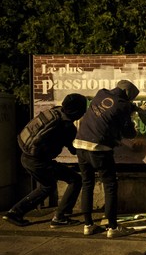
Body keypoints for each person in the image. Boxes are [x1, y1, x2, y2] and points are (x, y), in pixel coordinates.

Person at [73, 80, 146, 238]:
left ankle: (88, 225)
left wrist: (135, 108)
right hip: (99, 149)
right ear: (128, 95)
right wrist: (134, 124)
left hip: (80, 145)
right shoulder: (123, 106)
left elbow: (118, 105)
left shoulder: (101, 93)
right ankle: (113, 228)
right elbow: (129, 133)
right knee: (110, 186)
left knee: (87, 183)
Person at [3, 93, 87, 227]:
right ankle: (60, 217)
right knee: (75, 179)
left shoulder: (56, 111)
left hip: (26, 156)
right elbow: (73, 149)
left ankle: (15, 212)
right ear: (77, 112)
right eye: (82, 110)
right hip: (38, 162)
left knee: (47, 186)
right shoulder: (67, 127)